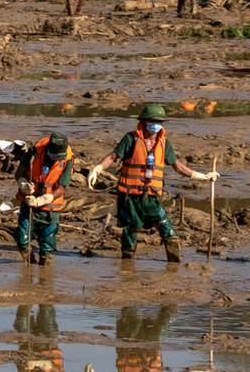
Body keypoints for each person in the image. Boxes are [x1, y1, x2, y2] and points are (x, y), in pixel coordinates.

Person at [85, 104, 218, 262]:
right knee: (130, 230)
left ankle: (174, 266)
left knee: (168, 231)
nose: (155, 124)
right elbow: (113, 157)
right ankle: (127, 266)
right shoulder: (131, 139)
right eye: (152, 120)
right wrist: (97, 169)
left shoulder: (164, 144)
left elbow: (179, 167)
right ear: (143, 121)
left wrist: (203, 177)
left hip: (152, 198)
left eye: (159, 121)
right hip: (130, 198)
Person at [15, 133, 74, 265]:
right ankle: (29, 262)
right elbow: (19, 172)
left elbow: (61, 188)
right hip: (28, 206)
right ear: (48, 149)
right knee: (22, 240)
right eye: (53, 156)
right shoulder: (35, 150)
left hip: (50, 211)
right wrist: (23, 184)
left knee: (47, 248)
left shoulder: (67, 159)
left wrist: (43, 200)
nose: (55, 159)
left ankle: (45, 275)